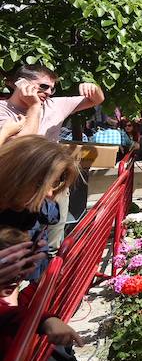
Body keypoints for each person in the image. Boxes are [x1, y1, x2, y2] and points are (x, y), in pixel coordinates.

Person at [0, 64, 104, 250]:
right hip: (19, 193)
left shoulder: (53, 104)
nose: (49, 92)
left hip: (54, 186)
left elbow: (97, 99)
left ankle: (49, 277)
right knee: (19, 248)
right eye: (43, 86)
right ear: (20, 84)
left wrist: (93, 89)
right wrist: (34, 108)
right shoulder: (3, 110)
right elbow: (23, 149)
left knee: (54, 242)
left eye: (52, 88)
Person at [0, 136, 79, 281]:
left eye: (55, 183)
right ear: (15, 177)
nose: (49, 193)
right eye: (39, 185)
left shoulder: (25, 209)